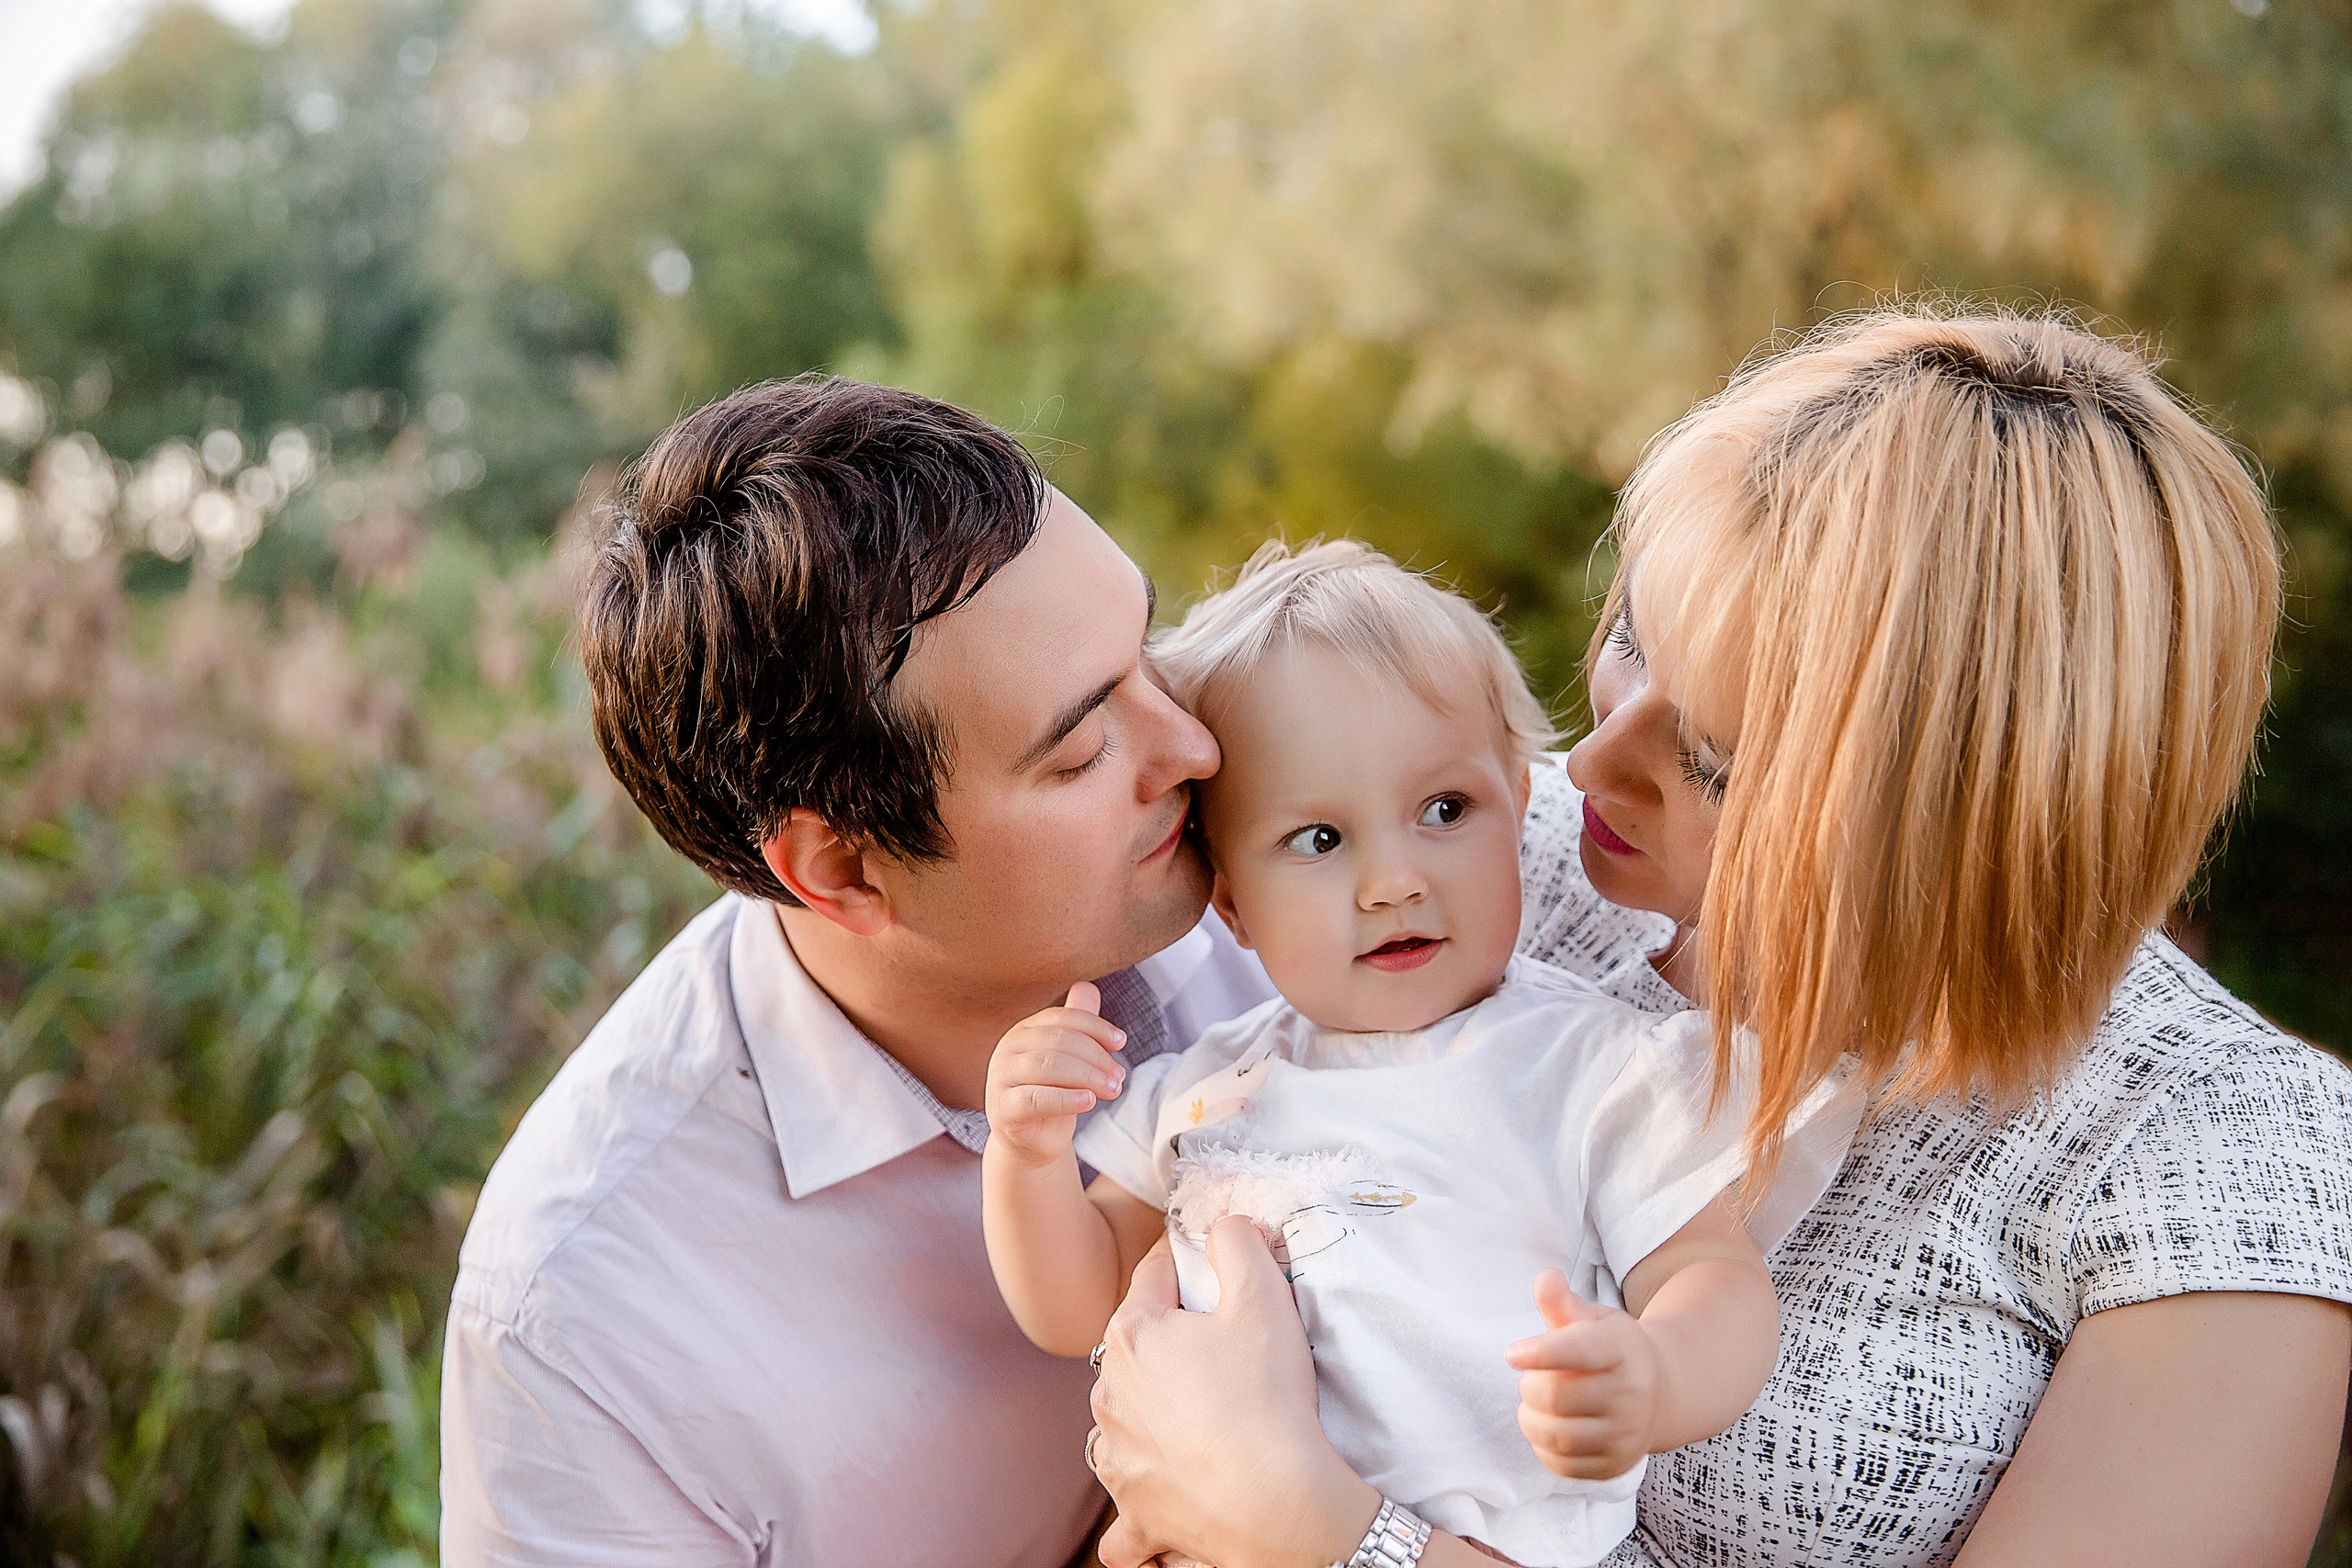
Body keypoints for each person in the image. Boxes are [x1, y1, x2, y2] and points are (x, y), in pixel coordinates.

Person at [1080, 308, 2352, 1568]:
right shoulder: (1484, 867)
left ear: (1967, 819)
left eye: (1715, 760)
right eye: (1635, 632)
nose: (1590, 760)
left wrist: (1323, 1534)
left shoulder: (2211, 1158)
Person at [435, 378, 1279, 1565]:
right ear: (841, 867)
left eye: (1154, 648)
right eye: (1084, 747)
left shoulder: (1309, 849)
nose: (1191, 746)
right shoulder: (588, 1315)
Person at [983, 542, 1850, 1567]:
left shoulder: (1597, 1070)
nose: (1392, 880)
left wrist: (1654, 1374)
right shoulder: (1207, 1091)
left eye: (1445, 811)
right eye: (1317, 840)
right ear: (1232, 907)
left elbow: (1712, 1274)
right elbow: (1074, 1305)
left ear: (1522, 809)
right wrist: (1027, 1156)